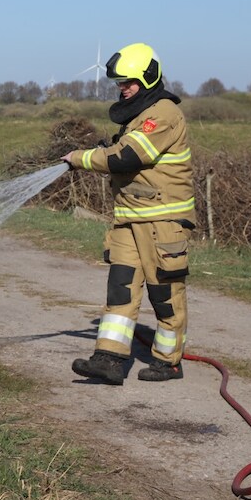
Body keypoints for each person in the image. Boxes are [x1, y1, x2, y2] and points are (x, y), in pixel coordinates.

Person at [60, 43, 196, 385]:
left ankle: (169, 362)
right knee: (120, 291)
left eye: (129, 82)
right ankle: (109, 360)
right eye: (119, 82)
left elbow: (127, 157)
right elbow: (121, 152)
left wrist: (81, 158)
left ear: (148, 78)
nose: (123, 88)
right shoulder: (139, 115)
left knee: (165, 296)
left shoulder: (163, 113)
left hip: (161, 223)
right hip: (128, 221)